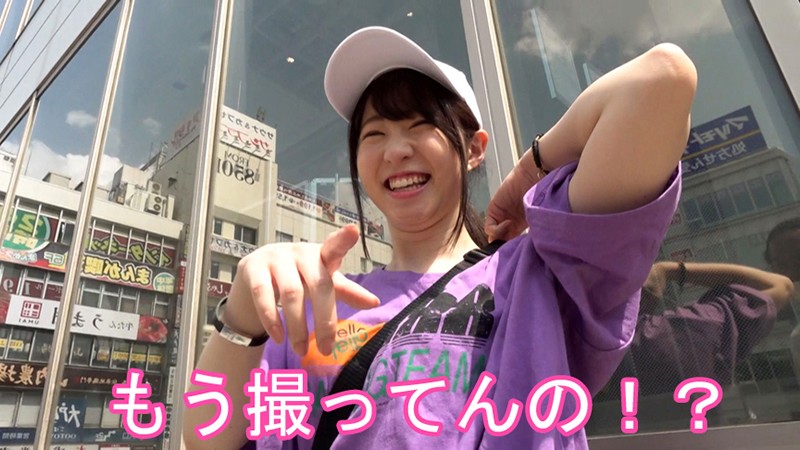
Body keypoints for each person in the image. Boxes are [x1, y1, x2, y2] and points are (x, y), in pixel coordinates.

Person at [183, 26, 697, 449]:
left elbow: (662, 79)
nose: (395, 150)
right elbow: (206, 439)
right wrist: (243, 315)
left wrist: (528, 171)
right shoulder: (319, 303)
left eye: (420, 125)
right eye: (374, 134)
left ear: (473, 149)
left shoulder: (540, 271)